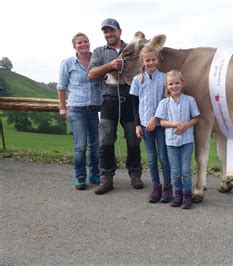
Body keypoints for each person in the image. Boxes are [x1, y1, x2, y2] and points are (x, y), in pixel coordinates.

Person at [88, 18, 143, 195]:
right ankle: (107, 179)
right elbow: (91, 74)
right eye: (105, 31)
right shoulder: (98, 52)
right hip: (109, 99)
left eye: (111, 30)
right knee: (106, 141)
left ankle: (135, 175)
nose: (108, 34)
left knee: (133, 140)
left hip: (130, 98)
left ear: (119, 31)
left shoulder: (133, 47)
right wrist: (110, 66)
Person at [57, 32, 101, 190]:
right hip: (76, 109)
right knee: (81, 145)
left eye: (86, 41)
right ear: (74, 46)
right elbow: (61, 87)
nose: (83, 44)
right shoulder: (68, 63)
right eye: (79, 43)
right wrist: (62, 107)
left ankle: (95, 174)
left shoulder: (96, 60)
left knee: (95, 145)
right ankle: (80, 176)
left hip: (94, 109)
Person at [130, 45, 172, 203]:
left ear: (158, 61)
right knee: (152, 158)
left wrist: (156, 118)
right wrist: (137, 125)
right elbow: (134, 103)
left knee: (163, 157)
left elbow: (167, 101)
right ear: (142, 62)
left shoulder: (164, 78)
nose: (151, 62)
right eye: (147, 60)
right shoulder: (137, 80)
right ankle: (156, 187)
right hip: (145, 125)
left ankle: (168, 187)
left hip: (161, 124)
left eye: (153, 59)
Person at [155, 70, 200, 209]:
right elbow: (162, 122)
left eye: (177, 83)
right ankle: (178, 194)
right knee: (175, 170)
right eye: (170, 84)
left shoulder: (189, 100)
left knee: (185, 169)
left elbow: (197, 118)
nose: (174, 86)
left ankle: (187, 195)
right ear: (167, 86)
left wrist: (186, 125)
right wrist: (175, 124)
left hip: (186, 141)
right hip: (171, 142)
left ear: (182, 84)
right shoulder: (164, 103)